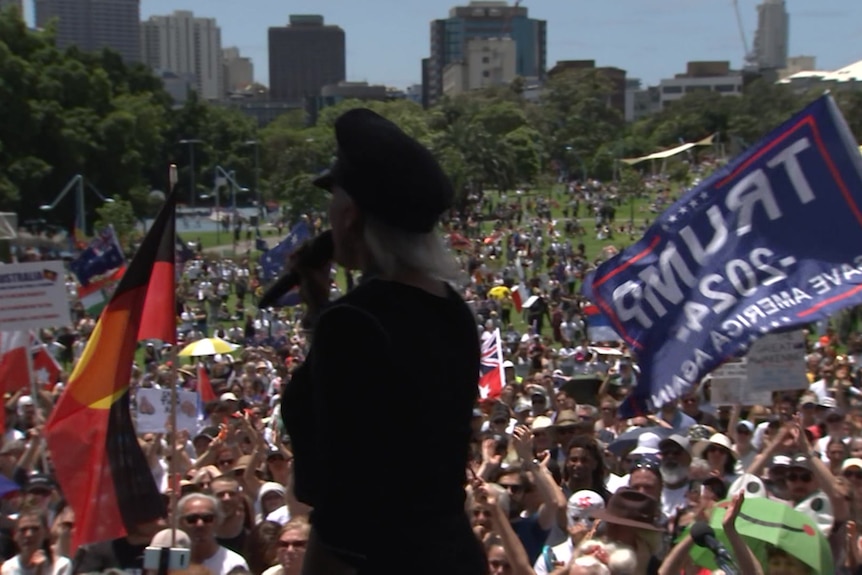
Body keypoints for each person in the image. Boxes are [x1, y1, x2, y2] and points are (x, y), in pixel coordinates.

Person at [277, 109, 486, 574]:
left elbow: (342, 495)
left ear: (349, 216)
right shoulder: (451, 307)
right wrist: (320, 305)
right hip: (450, 553)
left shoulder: (353, 322)